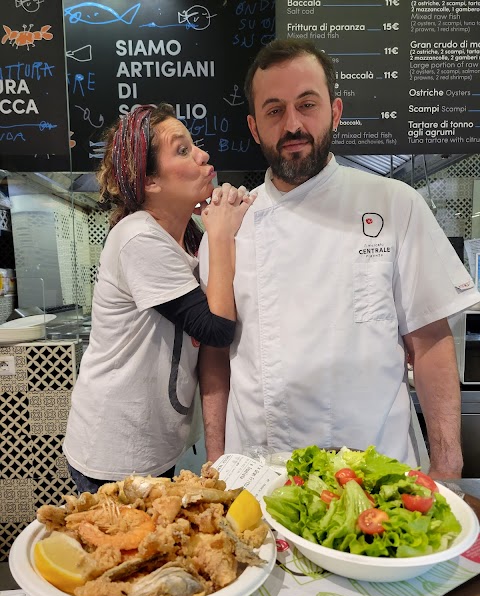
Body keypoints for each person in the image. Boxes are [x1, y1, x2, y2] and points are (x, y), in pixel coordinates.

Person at [198, 39, 480, 479]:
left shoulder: (394, 204)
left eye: (307, 104)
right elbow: (215, 357)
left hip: (377, 470)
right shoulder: (230, 227)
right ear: (254, 128)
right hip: (258, 473)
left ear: (335, 111)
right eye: (274, 110)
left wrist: (447, 461)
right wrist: (215, 460)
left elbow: (429, 340)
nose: (293, 124)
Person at [63, 103, 255, 493]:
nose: (203, 155)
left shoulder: (185, 241)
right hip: (113, 453)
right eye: (182, 150)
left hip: (154, 446)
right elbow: (216, 330)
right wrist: (221, 233)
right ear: (150, 181)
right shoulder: (139, 237)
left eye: (194, 145)